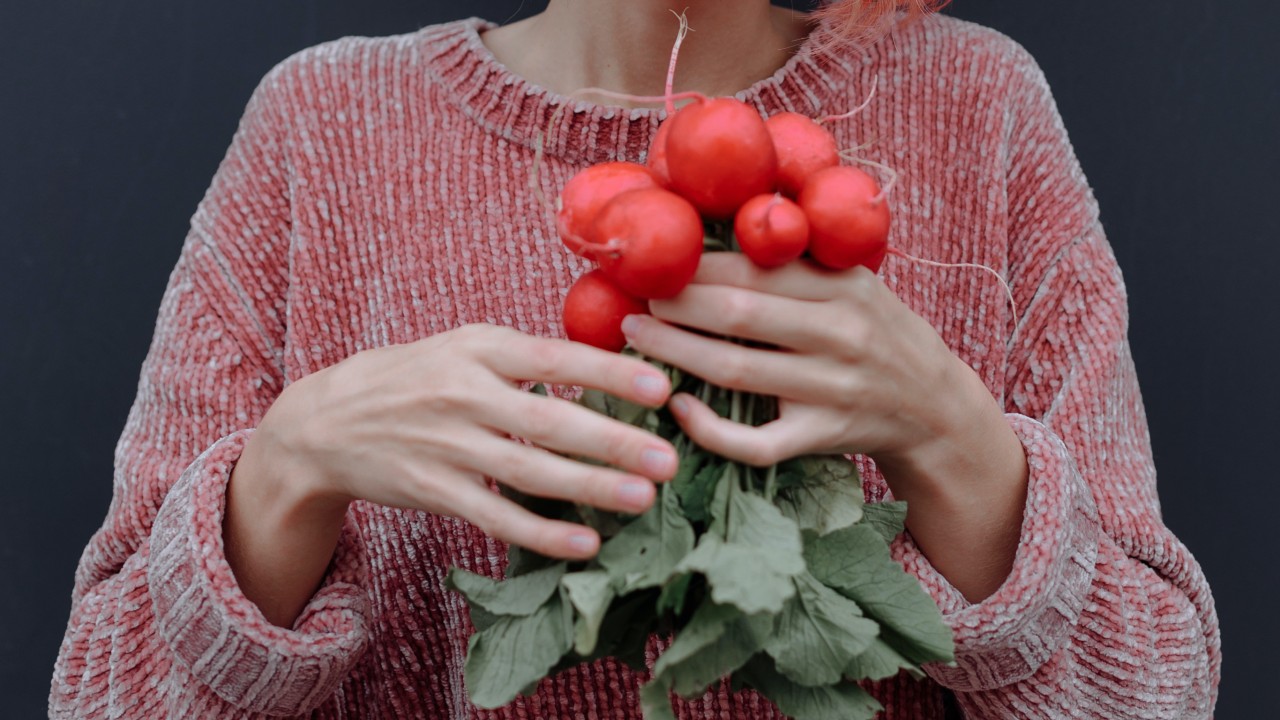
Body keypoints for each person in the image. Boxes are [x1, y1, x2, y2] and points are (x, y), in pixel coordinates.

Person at [49, 1, 1220, 718]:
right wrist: (286, 470)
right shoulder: (321, 129)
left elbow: (1152, 695)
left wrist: (954, 443)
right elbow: (99, 698)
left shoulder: (979, 107)